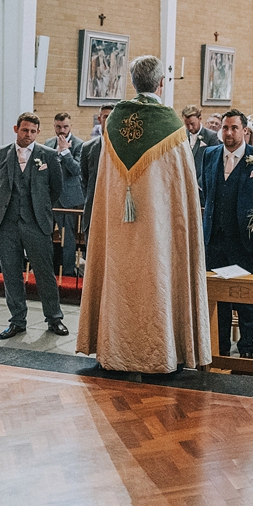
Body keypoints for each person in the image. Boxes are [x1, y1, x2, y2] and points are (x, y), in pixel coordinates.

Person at [77, 56, 213, 373]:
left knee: (120, 283)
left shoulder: (112, 125)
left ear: (132, 81)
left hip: (118, 233)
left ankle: (116, 350)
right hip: (159, 234)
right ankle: (161, 351)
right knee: (158, 283)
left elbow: (100, 185)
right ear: (161, 83)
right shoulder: (172, 128)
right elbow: (183, 190)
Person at [200, 109, 253, 358]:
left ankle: (246, 347)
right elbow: (206, 193)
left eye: (234, 128)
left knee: (244, 295)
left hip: (243, 240)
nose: (229, 133)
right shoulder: (209, 155)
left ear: (245, 130)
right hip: (214, 239)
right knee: (218, 295)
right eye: (225, 128)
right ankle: (219, 346)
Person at [0, 112, 66, 340]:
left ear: (38, 132)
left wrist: (39, 207)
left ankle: (54, 317)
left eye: (33, 131)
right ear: (16, 129)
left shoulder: (49, 156)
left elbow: (56, 188)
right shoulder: (1, 153)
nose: (29, 135)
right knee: (11, 273)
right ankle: (17, 321)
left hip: (36, 222)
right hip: (6, 223)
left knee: (44, 273)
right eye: (25, 130)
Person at [43, 112, 84, 277]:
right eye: (58, 127)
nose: (62, 131)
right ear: (54, 126)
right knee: (45, 234)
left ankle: (67, 272)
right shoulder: (48, 143)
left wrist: (66, 153)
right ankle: (45, 270)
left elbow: (77, 170)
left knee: (67, 237)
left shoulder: (80, 145)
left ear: (70, 126)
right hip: (49, 197)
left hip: (69, 198)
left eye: (65, 127)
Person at [80, 104, 114, 238]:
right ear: (100, 119)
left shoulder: (125, 149)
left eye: (112, 117)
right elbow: (85, 179)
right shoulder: (88, 148)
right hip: (94, 209)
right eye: (106, 116)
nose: (108, 120)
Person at [182, 105, 221, 184]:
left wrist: (200, 184)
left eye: (192, 124)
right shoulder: (182, 136)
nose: (190, 128)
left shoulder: (211, 136)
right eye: (187, 124)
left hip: (201, 183)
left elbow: (213, 162)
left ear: (200, 119)